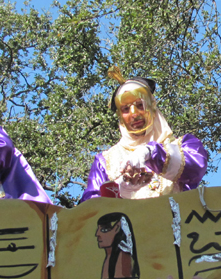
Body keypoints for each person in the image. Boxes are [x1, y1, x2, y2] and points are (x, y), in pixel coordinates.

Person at [80, 71, 208, 201]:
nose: (134, 114)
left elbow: (196, 167)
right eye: (126, 109)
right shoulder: (104, 162)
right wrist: (120, 190)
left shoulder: (185, 146)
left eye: (140, 105)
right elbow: (90, 209)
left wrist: (151, 152)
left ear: (152, 105)